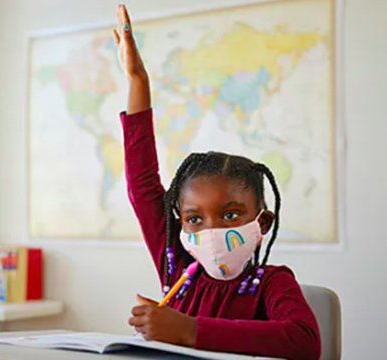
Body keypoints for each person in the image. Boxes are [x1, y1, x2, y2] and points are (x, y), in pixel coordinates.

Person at [112, 5, 321, 360]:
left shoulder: (272, 283)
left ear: (263, 222)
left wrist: (189, 330)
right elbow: (142, 183)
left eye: (230, 215)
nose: (210, 231)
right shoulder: (176, 267)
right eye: (194, 219)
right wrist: (137, 82)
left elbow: (305, 342)